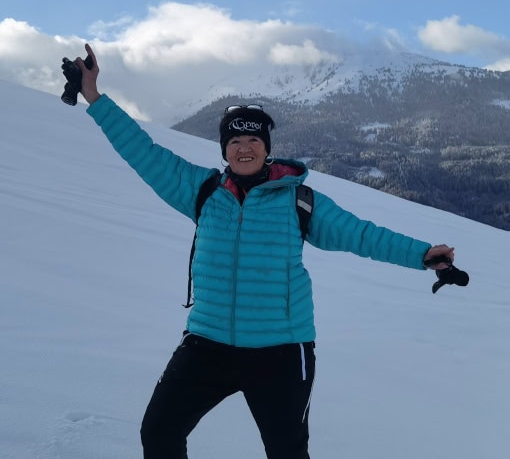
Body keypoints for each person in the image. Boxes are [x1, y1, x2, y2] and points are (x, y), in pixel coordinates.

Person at [72, 43, 456, 459]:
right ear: (223, 149)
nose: (244, 146)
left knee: (286, 451)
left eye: (253, 138)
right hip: (208, 343)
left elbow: (361, 235)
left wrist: (422, 254)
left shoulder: (298, 201)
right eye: (234, 139)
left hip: (280, 351)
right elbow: (142, 152)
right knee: (159, 432)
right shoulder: (203, 192)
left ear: (266, 145)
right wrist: (94, 96)